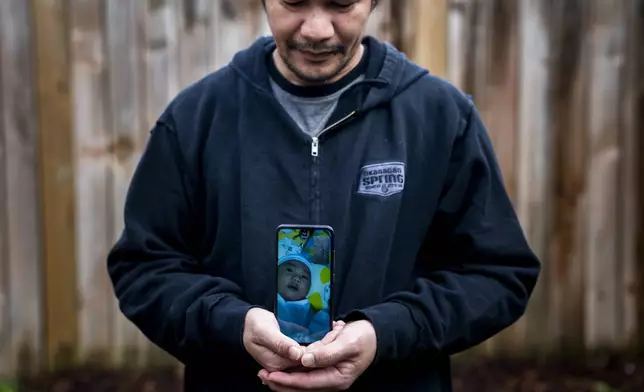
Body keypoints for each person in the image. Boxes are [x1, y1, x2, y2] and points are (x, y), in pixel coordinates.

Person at [106, 0, 541, 390]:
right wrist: (232, 324)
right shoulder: (194, 119)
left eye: (340, 2)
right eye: (293, 1)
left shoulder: (441, 118)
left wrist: (385, 332)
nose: (316, 28)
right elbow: (145, 269)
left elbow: (498, 274)